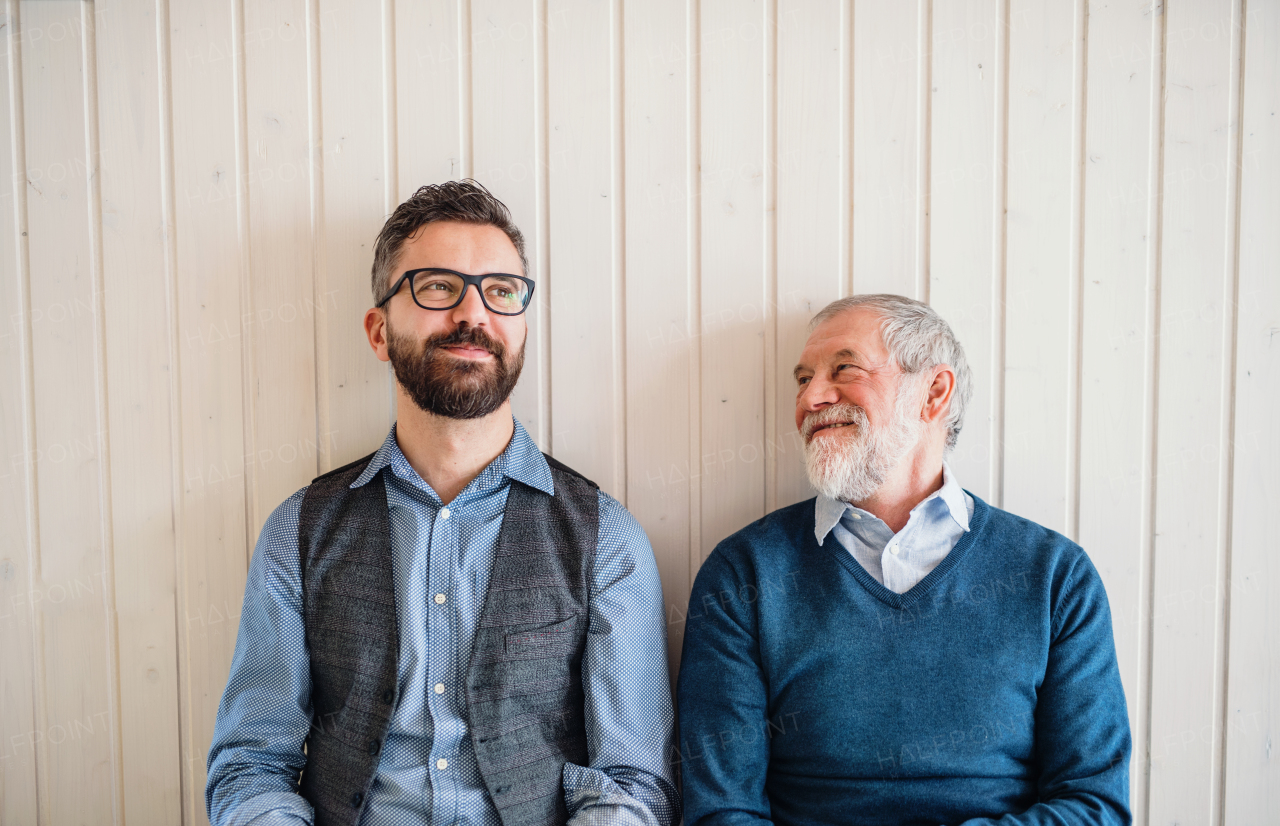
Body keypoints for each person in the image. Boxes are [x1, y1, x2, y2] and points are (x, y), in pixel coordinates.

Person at [207, 180, 679, 826]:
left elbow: (632, 781)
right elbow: (249, 767)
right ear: (378, 331)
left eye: (500, 291)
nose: (473, 314)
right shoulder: (299, 532)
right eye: (437, 287)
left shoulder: (607, 538)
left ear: (521, 329)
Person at [677, 294, 1130, 825]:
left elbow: (1093, 805)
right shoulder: (743, 573)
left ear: (934, 393)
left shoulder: (1055, 577)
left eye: (843, 369)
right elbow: (721, 812)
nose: (811, 399)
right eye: (803, 379)